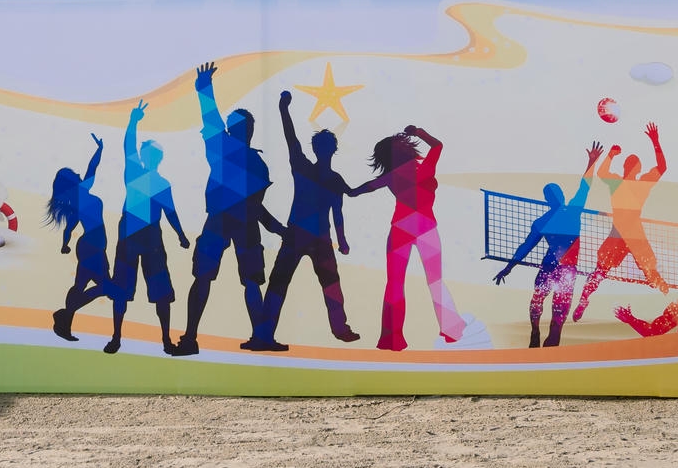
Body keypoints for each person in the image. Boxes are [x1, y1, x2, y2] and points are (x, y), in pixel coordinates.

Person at [172, 62, 282, 357]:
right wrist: (278, 228)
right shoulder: (253, 162)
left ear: (236, 130)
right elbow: (258, 208)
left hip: (223, 221)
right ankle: (256, 337)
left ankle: (193, 337)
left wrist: (204, 89)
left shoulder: (226, 150)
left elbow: (211, 121)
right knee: (247, 281)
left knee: (211, 278)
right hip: (238, 223)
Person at [250, 89, 359, 350]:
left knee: (324, 285)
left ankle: (339, 328)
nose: (324, 150)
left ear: (329, 149)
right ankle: (265, 334)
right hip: (302, 235)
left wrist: (342, 240)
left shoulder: (327, 177)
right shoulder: (307, 169)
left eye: (326, 147)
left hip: (314, 237)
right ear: (325, 149)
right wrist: (283, 109)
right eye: (323, 147)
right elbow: (291, 139)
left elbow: (338, 212)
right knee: (285, 283)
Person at [352, 124, 467, 350]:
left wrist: (348, 191)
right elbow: (437, 145)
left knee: (395, 283)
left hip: (402, 228)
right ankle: (451, 329)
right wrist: (419, 132)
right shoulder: (424, 169)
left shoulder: (392, 176)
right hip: (425, 227)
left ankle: (391, 338)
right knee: (434, 281)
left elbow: (366, 187)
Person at [492, 141, 604, 347]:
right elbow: (584, 188)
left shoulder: (546, 220)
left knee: (543, 304)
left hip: (554, 267)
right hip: (562, 269)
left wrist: (509, 268)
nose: (556, 196)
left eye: (555, 194)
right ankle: (538, 334)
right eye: (554, 194)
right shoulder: (569, 211)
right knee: (548, 307)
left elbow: (525, 248)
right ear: (554, 198)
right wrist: (591, 163)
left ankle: (539, 334)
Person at [104, 101, 190, 355]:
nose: (149, 157)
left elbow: (171, 212)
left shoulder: (158, 182)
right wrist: (133, 122)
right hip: (133, 236)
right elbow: (128, 146)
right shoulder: (136, 172)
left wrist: (181, 235)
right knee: (124, 289)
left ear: (157, 158)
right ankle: (118, 337)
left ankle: (164, 339)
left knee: (159, 291)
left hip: (148, 237)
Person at [572, 123, 672, 320]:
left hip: (626, 233)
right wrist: (654, 141)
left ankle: (584, 298)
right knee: (603, 271)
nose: (631, 167)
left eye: (631, 164)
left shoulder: (627, 183)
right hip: (626, 233)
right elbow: (662, 167)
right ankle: (584, 300)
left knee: (605, 271)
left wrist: (612, 155)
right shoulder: (626, 183)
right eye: (630, 164)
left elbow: (662, 168)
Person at [48, 133, 110, 341]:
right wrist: (64, 244)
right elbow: (68, 229)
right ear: (72, 182)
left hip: (94, 247)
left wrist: (100, 149)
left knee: (81, 287)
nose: (79, 174)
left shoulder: (79, 197)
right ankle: (64, 316)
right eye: (75, 175)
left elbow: (92, 167)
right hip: (92, 247)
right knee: (105, 287)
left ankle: (64, 319)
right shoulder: (80, 196)